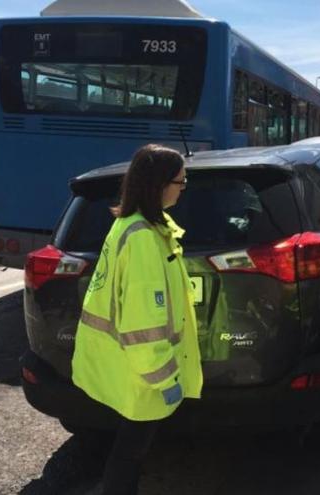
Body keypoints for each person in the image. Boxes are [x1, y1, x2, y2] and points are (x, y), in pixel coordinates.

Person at [71, 144, 203, 495]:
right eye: (181, 182)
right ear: (160, 185)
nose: (183, 188)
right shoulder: (144, 238)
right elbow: (142, 323)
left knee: (129, 449)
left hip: (128, 366)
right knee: (129, 453)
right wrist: (165, 379)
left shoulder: (129, 225)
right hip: (143, 372)